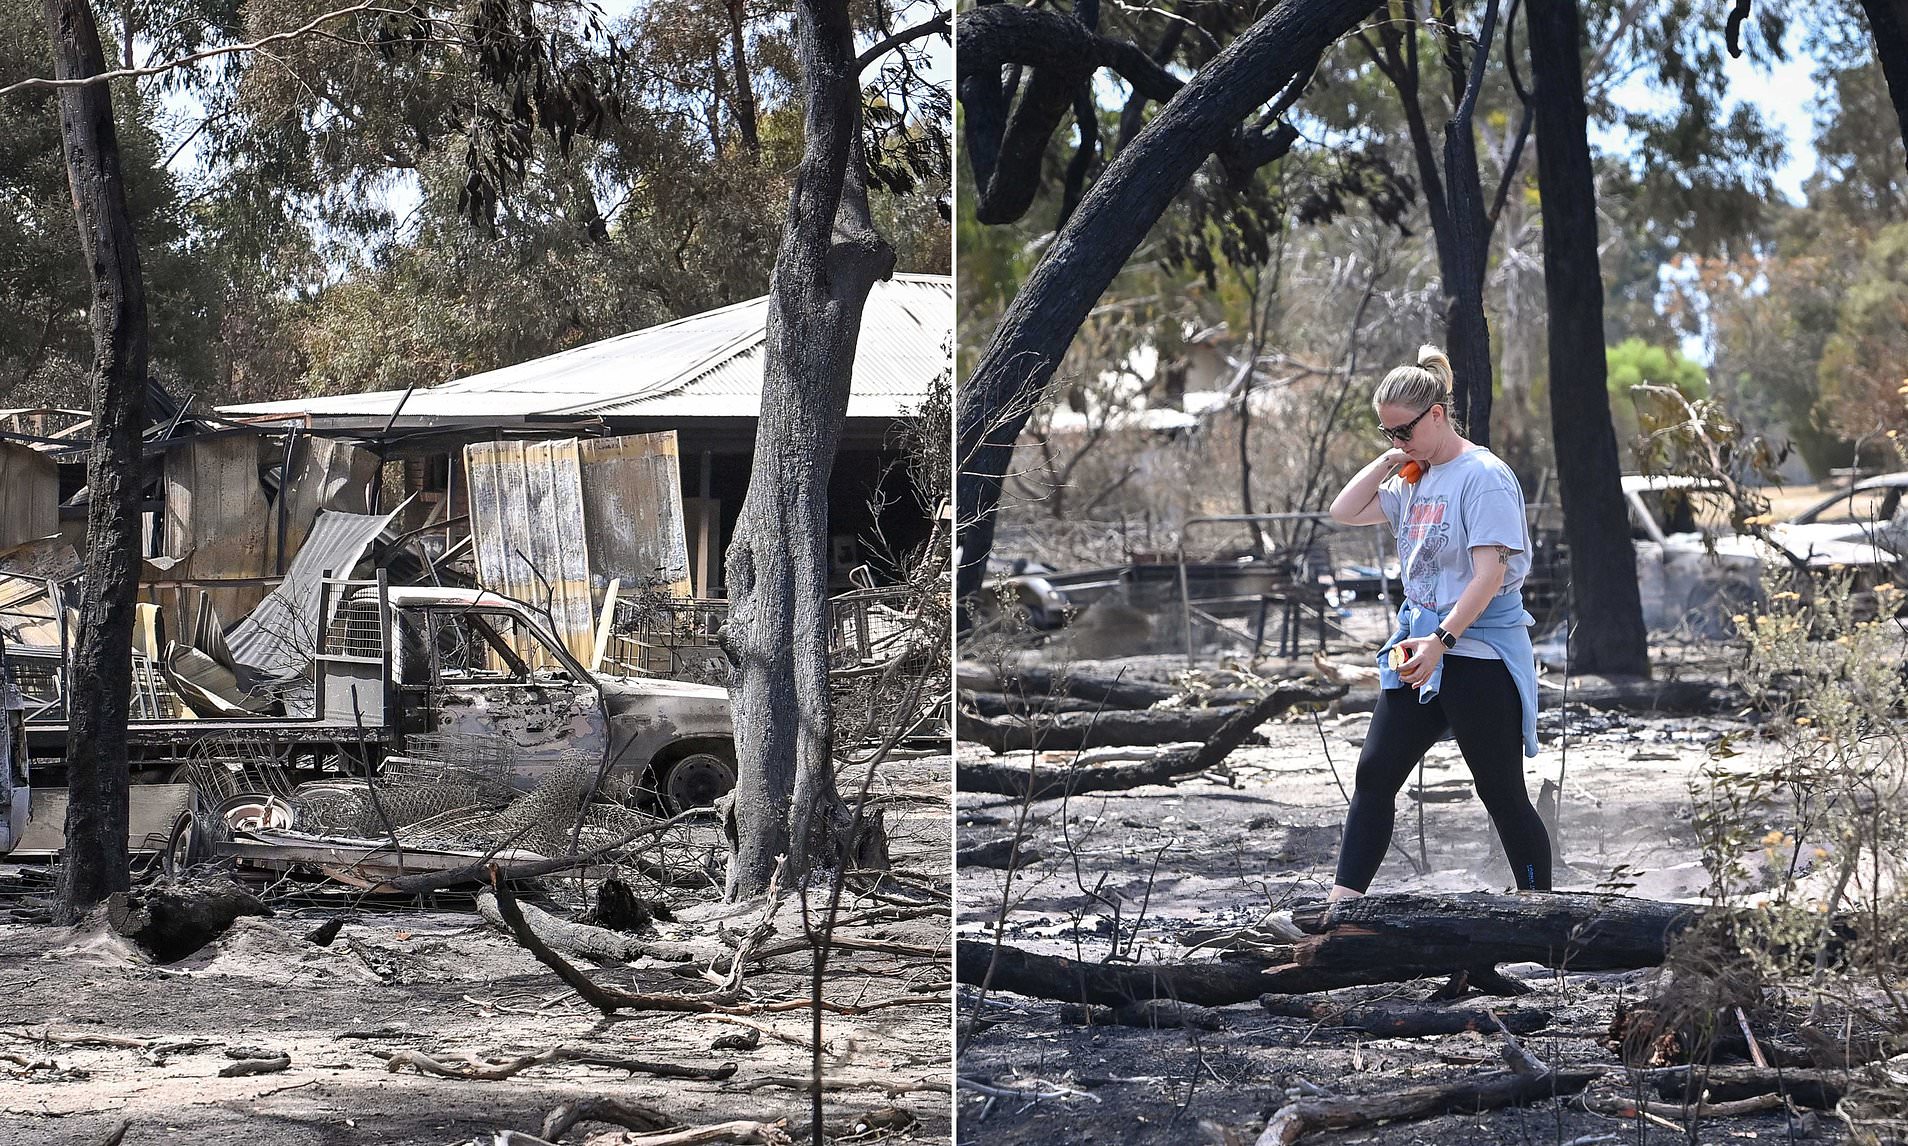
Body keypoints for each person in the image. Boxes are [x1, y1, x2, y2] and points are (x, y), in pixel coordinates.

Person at [1324, 344, 1551, 903]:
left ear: (1438, 415)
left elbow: (1490, 574)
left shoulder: (1484, 476)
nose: (1397, 443)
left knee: (1499, 791)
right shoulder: (1410, 478)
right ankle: (1339, 911)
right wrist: (1390, 458)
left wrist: (1443, 641)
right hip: (1417, 650)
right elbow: (1343, 511)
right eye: (1387, 433)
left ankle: (1540, 916)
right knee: (1374, 776)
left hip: (1476, 653)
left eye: (1403, 431)